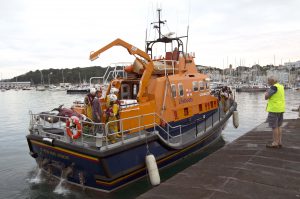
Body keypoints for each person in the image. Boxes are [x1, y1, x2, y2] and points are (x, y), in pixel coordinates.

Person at [265, 76, 285, 148]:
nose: (267, 82)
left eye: (268, 80)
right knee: (279, 126)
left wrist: (266, 93)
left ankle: (275, 143)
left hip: (274, 109)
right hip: (281, 109)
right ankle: (279, 141)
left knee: (274, 126)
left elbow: (266, 97)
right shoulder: (281, 86)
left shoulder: (273, 87)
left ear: (272, 80)